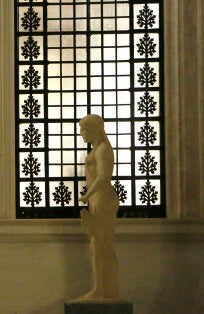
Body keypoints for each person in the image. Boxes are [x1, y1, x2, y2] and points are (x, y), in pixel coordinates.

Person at [76, 114, 120, 301]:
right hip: (97, 199)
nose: (81, 134)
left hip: (103, 199)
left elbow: (103, 177)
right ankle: (104, 289)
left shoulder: (103, 150)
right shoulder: (96, 149)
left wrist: (87, 194)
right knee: (99, 246)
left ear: (95, 129)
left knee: (100, 246)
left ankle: (101, 290)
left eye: (84, 129)